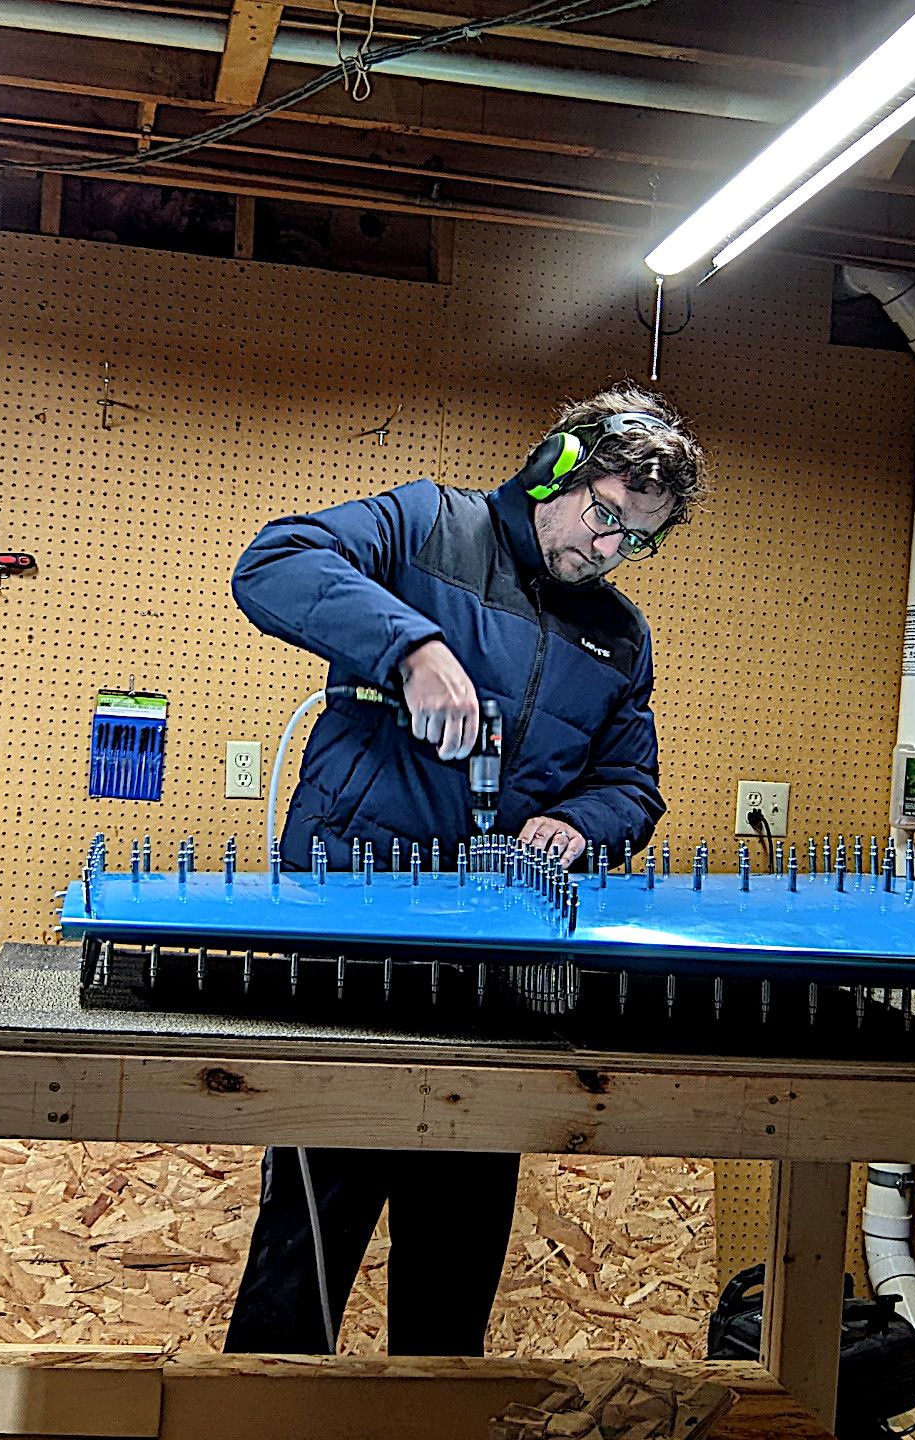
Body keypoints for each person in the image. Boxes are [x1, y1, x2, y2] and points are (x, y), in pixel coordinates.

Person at [225, 383, 705, 1356]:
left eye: (638, 540)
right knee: (300, 1270)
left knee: (451, 1291)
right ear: (554, 470)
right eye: (606, 516)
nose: (611, 551)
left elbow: (632, 786)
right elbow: (273, 562)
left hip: (494, 985)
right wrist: (411, 646)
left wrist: (581, 822)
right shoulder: (429, 528)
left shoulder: (617, 640)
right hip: (351, 966)